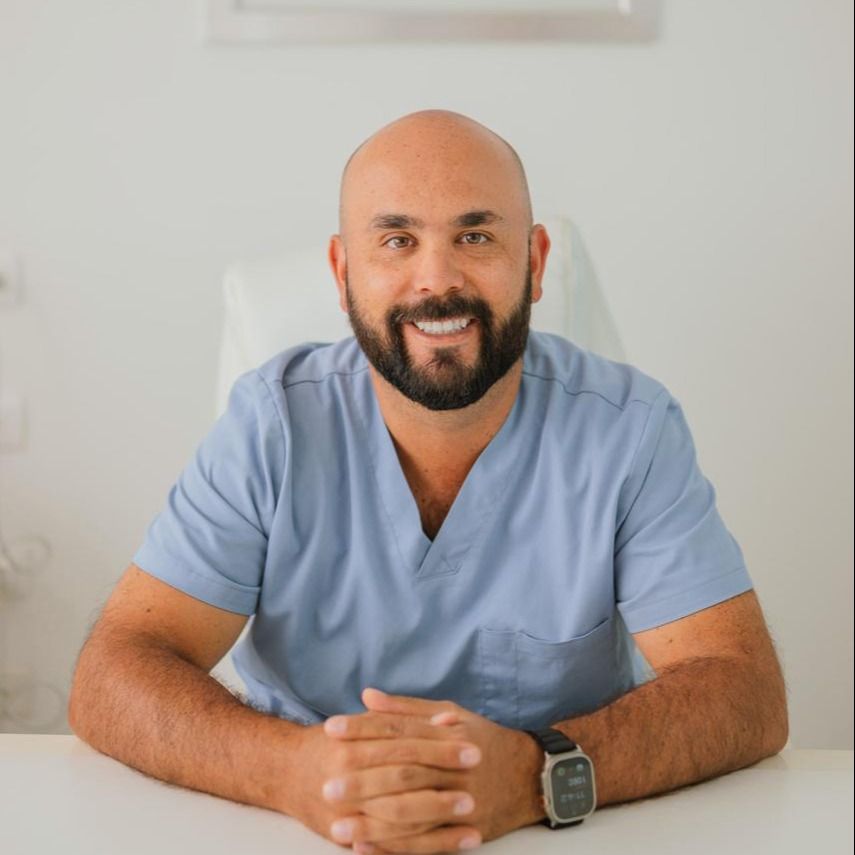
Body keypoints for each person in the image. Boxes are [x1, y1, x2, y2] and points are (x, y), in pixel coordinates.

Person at [69, 110, 788, 854]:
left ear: (536, 261)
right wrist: (289, 770)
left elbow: (744, 690)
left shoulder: (628, 429)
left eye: (475, 237)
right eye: (396, 240)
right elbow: (115, 669)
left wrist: (535, 773)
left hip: (558, 832)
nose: (437, 280)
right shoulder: (271, 424)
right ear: (342, 272)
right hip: (300, 831)